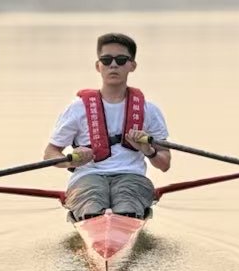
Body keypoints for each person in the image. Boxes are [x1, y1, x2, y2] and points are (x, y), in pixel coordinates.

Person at [44, 33, 171, 221]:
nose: (113, 65)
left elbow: (165, 164)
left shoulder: (149, 110)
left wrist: (148, 150)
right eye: (106, 60)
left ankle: (124, 223)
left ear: (132, 66)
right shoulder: (77, 108)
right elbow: (50, 154)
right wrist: (71, 161)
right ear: (98, 66)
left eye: (121, 60)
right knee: (92, 211)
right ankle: (95, 226)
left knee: (127, 209)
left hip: (131, 177)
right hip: (87, 178)